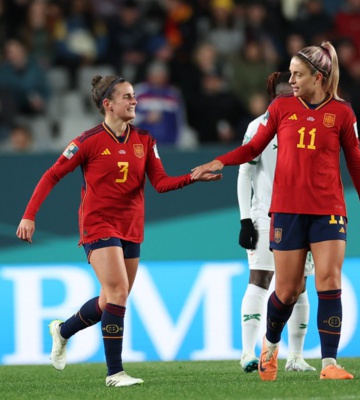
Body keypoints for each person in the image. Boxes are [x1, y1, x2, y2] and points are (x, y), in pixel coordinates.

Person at [16, 75, 221, 387]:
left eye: (134, 95)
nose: (134, 101)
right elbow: (51, 175)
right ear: (107, 105)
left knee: (110, 299)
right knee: (119, 294)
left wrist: (195, 177)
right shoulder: (87, 141)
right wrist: (29, 216)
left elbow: (161, 183)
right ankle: (115, 373)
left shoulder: (145, 140)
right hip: (98, 224)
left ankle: (62, 330)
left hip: (131, 227)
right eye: (127, 97)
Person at [191, 41, 360, 381]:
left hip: (329, 210)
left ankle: (330, 363)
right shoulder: (281, 108)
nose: (290, 80)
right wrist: (220, 160)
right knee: (287, 291)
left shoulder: (343, 113)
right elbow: (251, 149)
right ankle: (270, 345)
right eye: (290, 73)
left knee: (329, 281)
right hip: (288, 212)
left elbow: (356, 161)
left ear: (319, 77)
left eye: (297, 74)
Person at [238, 71, 315, 374]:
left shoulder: (308, 127)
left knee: (299, 286)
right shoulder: (258, 127)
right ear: (273, 99)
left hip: (303, 215)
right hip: (264, 216)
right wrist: (245, 219)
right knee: (260, 278)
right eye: (283, 95)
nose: (290, 99)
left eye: (294, 94)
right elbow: (245, 173)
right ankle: (247, 353)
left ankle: (295, 357)